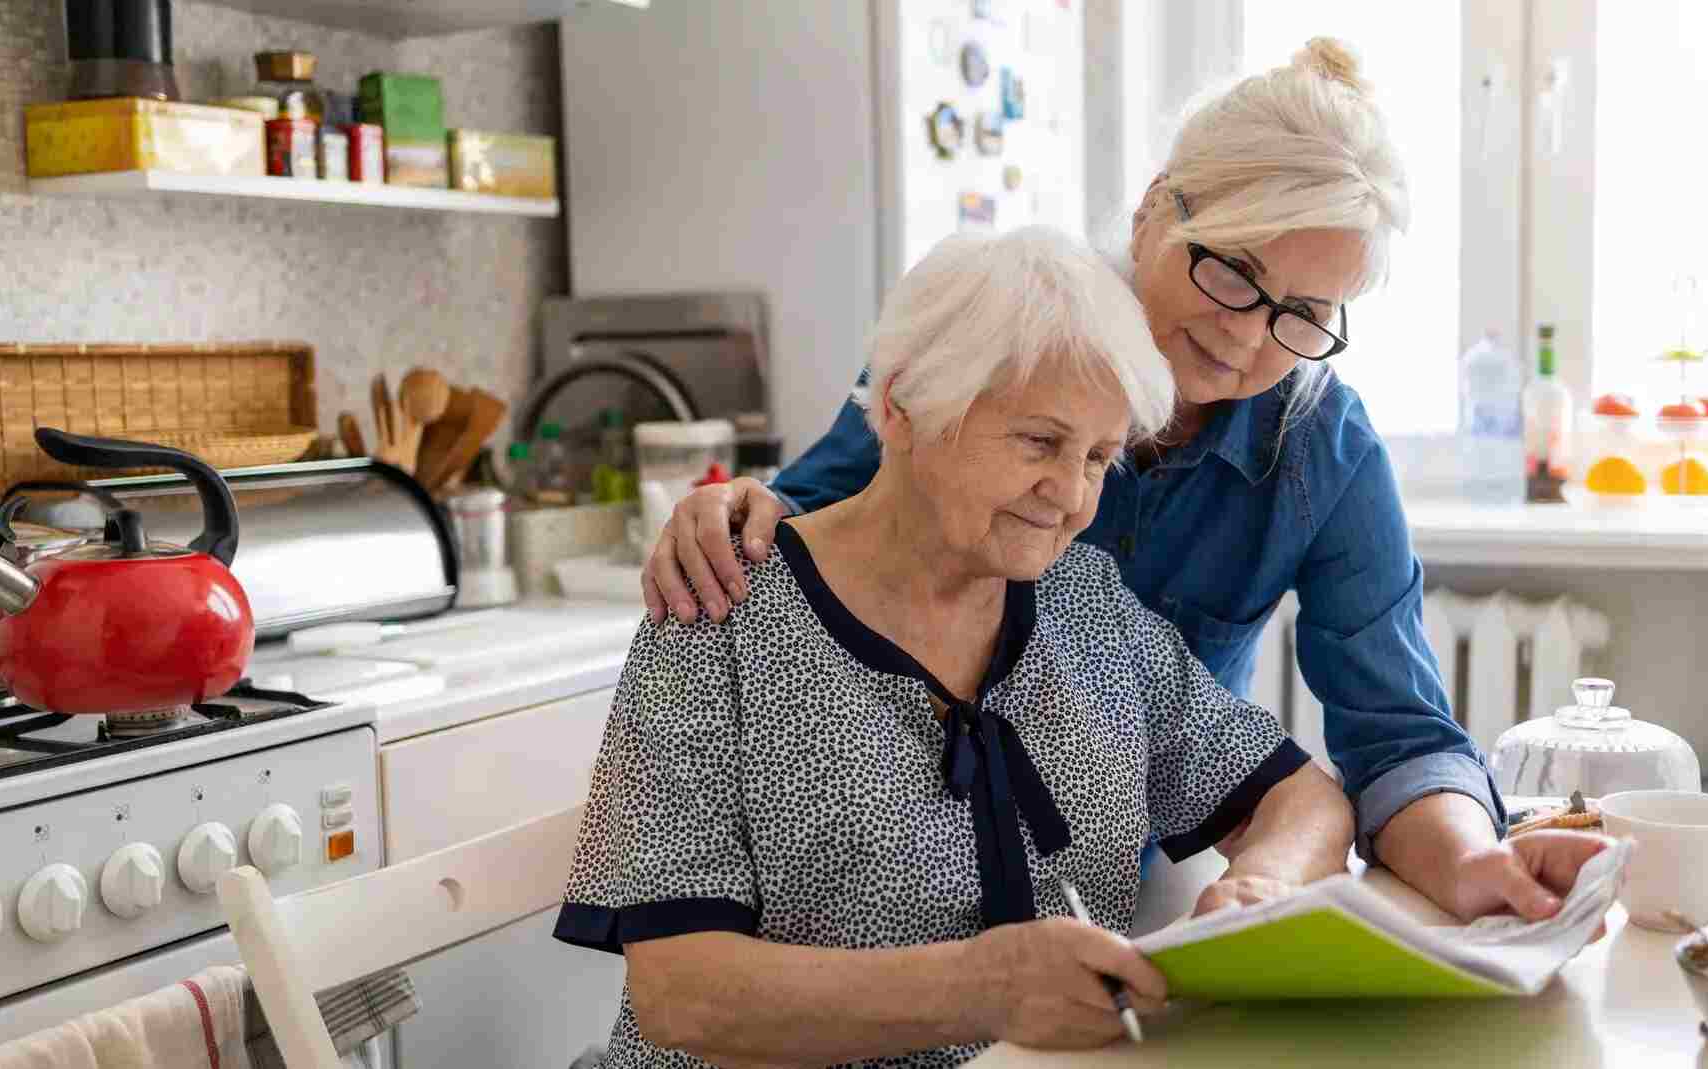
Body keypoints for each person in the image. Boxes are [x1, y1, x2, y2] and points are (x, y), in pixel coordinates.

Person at [638, 38, 1610, 924]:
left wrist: (1473, 860)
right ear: (1154, 211)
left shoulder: (1323, 450)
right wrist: (730, 512)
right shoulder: (996, 333)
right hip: (882, 889)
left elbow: (1396, 735)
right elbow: (810, 528)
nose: (1245, 334)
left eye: (1302, 312)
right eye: (1233, 271)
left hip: (1117, 887)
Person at [556, 225, 1354, 1065]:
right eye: (1039, 441)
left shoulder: (1088, 607)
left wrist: (1260, 887)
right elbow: (680, 991)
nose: (1069, 494)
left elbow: (1303, 798)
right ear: (904, 406)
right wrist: (983, 987)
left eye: (1098, 457)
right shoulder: (721, 608)